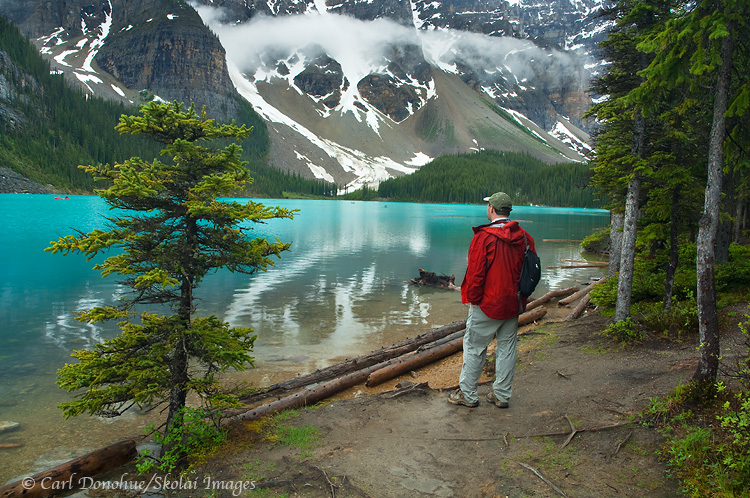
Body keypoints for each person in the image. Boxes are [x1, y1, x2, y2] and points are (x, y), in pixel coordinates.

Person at [448, 192, 536, 409]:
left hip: (488, 303)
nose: (487, 208)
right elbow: (531, 272)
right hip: (513, 303)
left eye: (488, 205)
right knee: (507, 347)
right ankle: (502, 395)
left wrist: (473, 299)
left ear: (492, 209)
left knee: (475, 347)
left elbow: (476, 274)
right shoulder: (525, 237)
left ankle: (468, 394)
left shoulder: (484, 237)